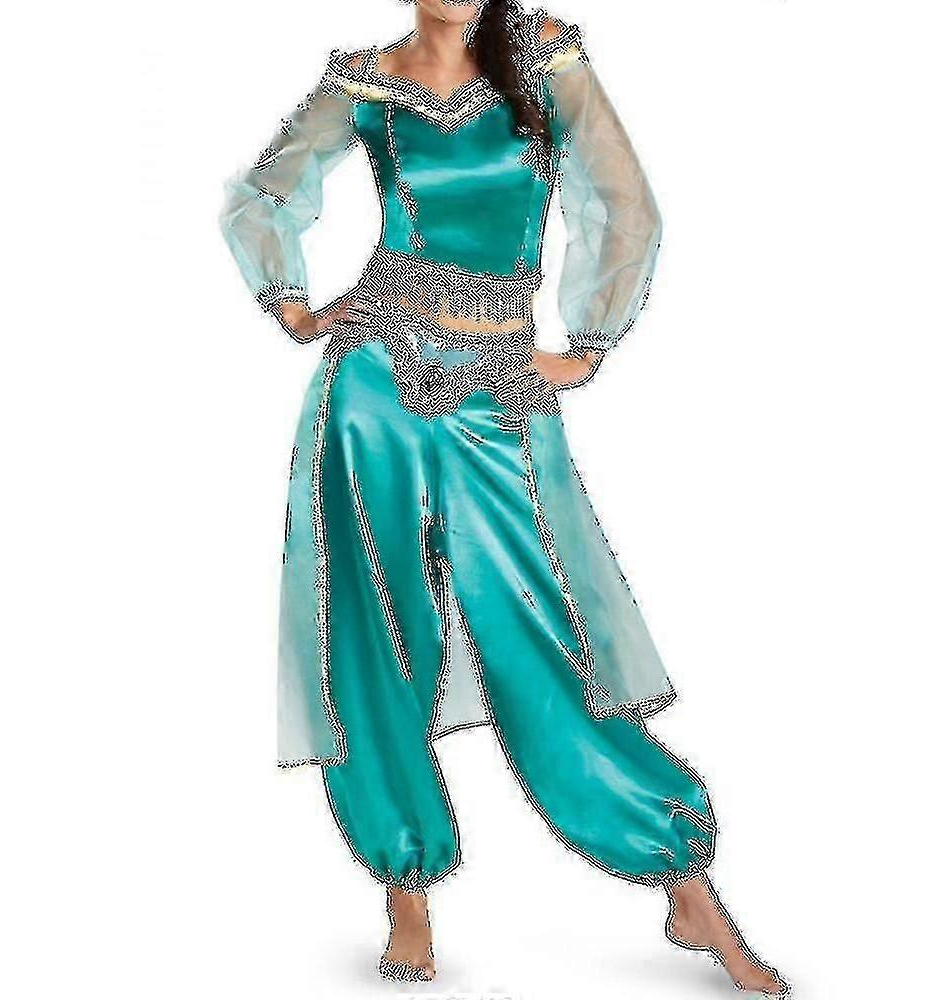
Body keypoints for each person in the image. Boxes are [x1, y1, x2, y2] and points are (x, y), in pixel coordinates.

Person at [220, 1, 787, 993]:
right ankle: (405, 886)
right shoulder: (365, 82)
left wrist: (589, 343)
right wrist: (295, 306)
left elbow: (623, 198)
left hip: (500, 387)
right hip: (373, 385)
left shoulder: (546, 61)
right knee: (377, 631)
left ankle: (681, 876)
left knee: (546, 630)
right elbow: (263, 193)